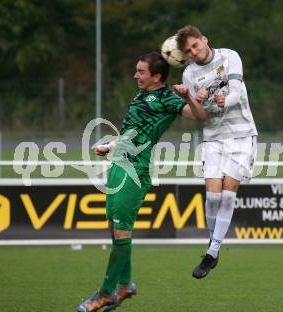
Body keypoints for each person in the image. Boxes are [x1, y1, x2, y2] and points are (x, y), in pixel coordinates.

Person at [77, 52, 207, 312]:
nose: (136, 75)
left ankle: (105, 293)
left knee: (122, 230)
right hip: (118, 164)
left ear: (156, 76)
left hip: (135, 169)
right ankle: (125, 285)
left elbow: (200, 116)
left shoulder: (168, 98)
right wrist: (112, 145)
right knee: (115, 230)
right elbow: (134, 129)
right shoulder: (140, 96)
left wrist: (188, 96)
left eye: (141, 71)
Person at [174, 25, 258, 279]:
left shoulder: (229, 56)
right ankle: (214, 244)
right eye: (188, 51)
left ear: (204, 40)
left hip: (242, 134)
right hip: (213, 137)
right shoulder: (189, 74)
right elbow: (197, 115)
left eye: (195, 46)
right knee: (212, 197)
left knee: (228, 195)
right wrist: (192, 99)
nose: (193, 52)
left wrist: (225, 100)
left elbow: (236, 89)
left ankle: (212, 251)